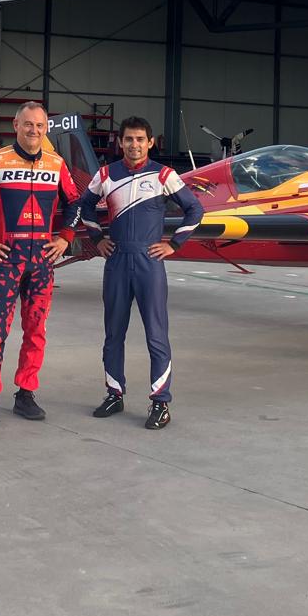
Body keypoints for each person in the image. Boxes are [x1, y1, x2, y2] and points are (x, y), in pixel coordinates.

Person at [0, 102, 81, 426]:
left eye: (39, 126)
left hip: (42, 262)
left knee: (36, 330)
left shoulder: (56, 164)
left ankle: (26, 393)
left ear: (45, 129)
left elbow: (76, 202)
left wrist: (66, 236)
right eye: (28, 125)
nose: (34, 131)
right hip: (5, 260)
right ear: (16, 124)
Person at [78, 116, 204, 431]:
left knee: (156, 335)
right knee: (113, 334)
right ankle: (114, 393)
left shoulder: (164, 175)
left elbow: (195, 209)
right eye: (129, 139)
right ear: (120, 142)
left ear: (150, 142)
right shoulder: (106, 174)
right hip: (117, 260)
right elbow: (85, 207)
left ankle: (161, 402)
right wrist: (97, 239)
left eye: (140, 139)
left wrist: (175, 244)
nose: (134, 145)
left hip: (150, 263)